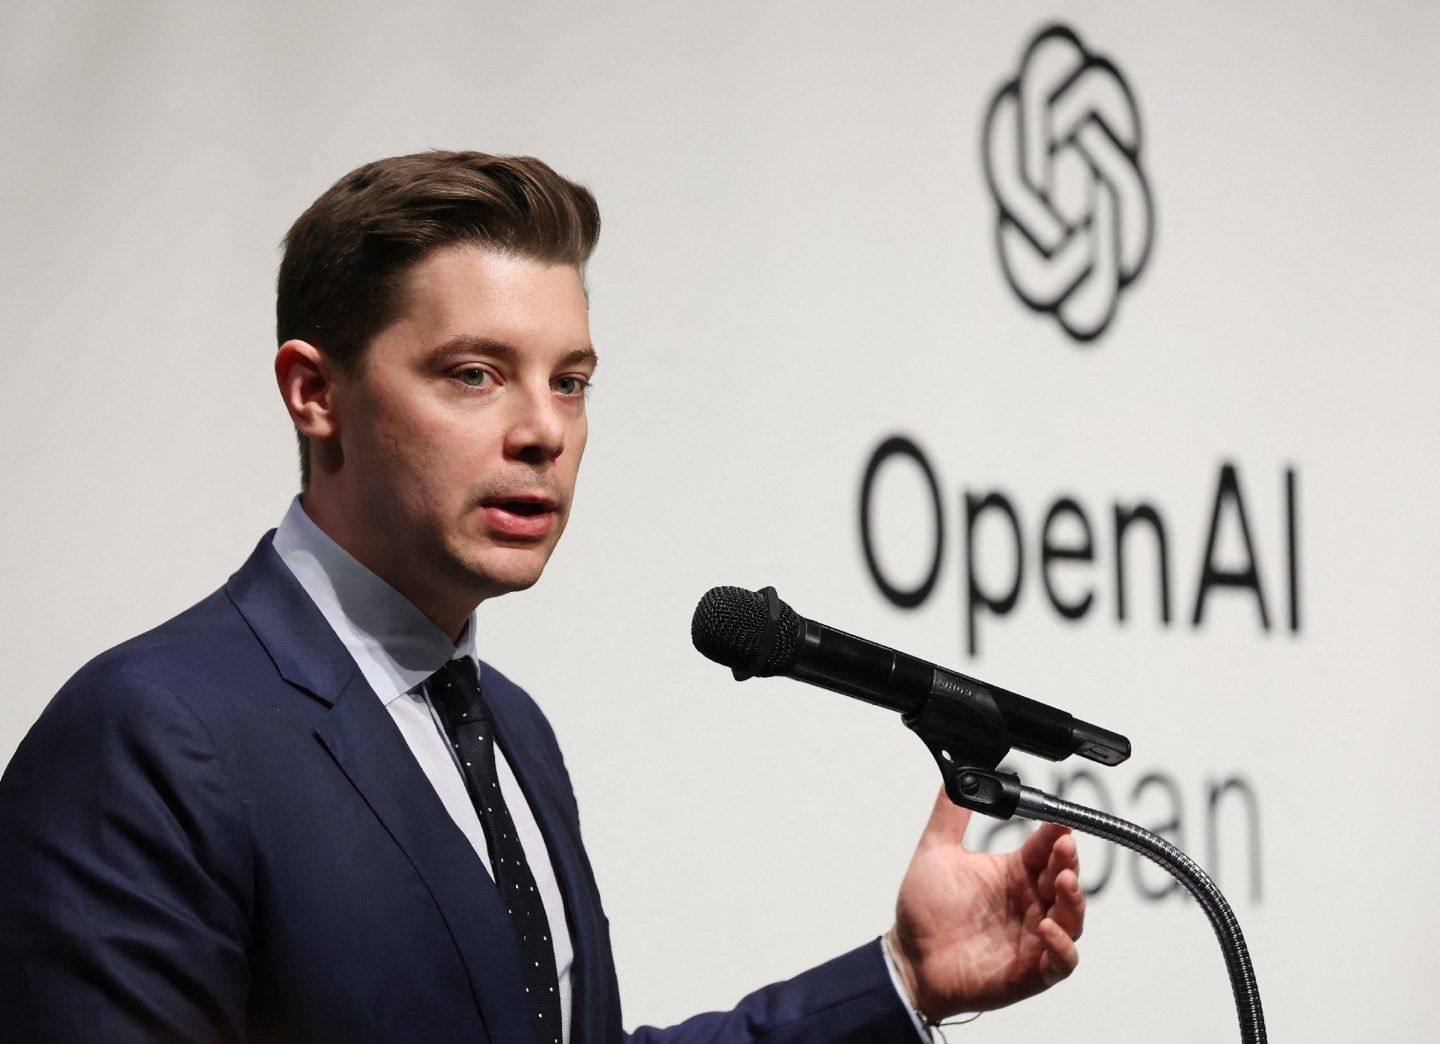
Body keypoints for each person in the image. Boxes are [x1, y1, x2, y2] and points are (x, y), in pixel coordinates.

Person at [0, 151, 1085, 1042]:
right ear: (315, 391)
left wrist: (899, 979)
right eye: (475, 373)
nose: (544, 431)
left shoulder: (509, 730)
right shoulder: (151, 735)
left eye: (570, 380)